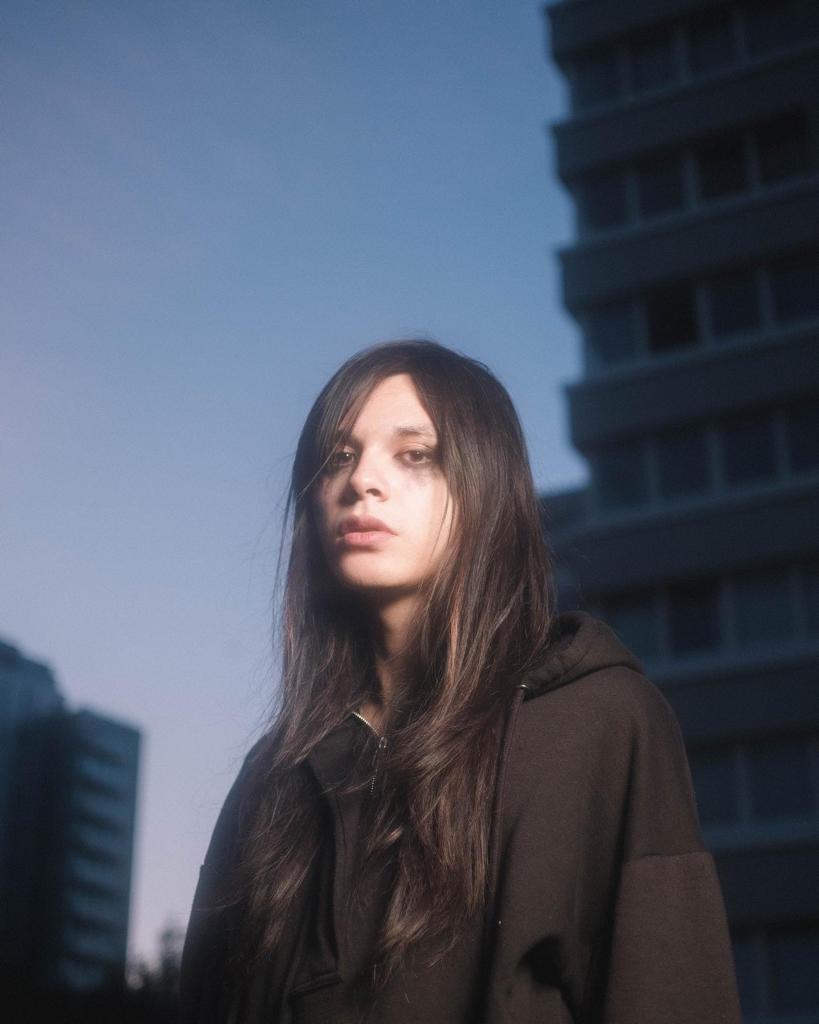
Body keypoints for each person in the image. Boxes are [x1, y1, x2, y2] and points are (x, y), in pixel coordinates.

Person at [179, 339, 742, 1023]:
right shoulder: (271, 778)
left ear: (482, 488)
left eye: (414, 454)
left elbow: (667, 995)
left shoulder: (602, 721)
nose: (362, 482)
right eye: (339, 457)